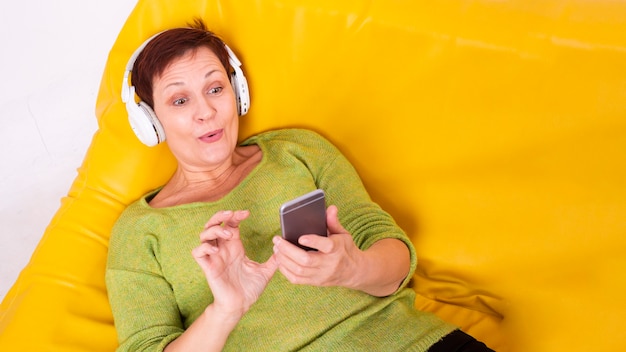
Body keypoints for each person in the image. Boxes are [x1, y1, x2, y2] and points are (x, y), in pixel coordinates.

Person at [105, 19, 494, 352]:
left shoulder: (297, 150)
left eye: (215, 89)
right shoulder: (139, 232)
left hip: (409, 342)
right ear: (150, 121)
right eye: (179, 101)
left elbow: (396, 263)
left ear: (236, 92)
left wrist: (352, 267)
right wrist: (224, 311)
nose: (206, 112)